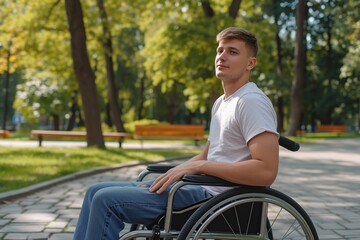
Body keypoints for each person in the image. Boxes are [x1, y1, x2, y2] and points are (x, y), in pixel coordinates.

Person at [73, 27, 279, 240]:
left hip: (218, 200)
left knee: (105, 200)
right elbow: (207, 155)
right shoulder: (222, 103)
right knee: (94, 191)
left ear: (250, 63)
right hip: (197, 189)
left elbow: (266, 170)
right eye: (220, 51)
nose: (222, 57)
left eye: (232, 52)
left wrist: (199, 167)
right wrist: (173, 174)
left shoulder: (251, 102)